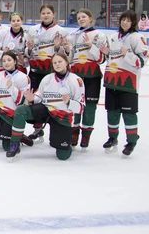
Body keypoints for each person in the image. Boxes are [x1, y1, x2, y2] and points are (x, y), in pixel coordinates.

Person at [6, 53, 85, 162]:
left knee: (63, 156)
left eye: (60, 62)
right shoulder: (47, 78)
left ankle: (67, 141)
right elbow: (39, 97)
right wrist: (32, 99)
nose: (57, 64)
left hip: (62, 116)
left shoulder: (76, 80)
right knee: (21, 110)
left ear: (66, 63)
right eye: (54, 63)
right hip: (46, 110)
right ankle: (14, 144)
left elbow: (81, 108)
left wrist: (69, 102)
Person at [99, 10, 148, 156]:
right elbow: (109, 59)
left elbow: (141, 61)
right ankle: (112, 138)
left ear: (133, 22)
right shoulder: (113, 37)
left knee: (129, 113)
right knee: (112, 112)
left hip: (128, 83)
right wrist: (107, 53)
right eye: (123, 19)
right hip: (111, 81)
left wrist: (127, 54)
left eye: (128, 20)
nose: (125, 22)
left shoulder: (137, 38)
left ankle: (132, 141)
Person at [62, 8, 106, 150]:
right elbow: (69, 60)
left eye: (84, 17)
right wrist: (67, 49)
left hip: (92, 76)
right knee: (75, 103)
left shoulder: (99, 35)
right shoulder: (73, 36)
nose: (81, 19)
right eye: (79, 18)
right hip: (76, 76)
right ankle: (74, 133)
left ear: (90, 18)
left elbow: (101, 59)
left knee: (90, 106)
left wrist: (91, 46)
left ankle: (86, 135)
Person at [24, 4, 68, 141]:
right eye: (43, 13)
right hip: (36, 71)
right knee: (34, 99)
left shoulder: (61, 31)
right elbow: (27, 53)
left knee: (53, 99)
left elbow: (65, 55)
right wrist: (29, 49)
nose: (46, 15)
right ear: (40, 15)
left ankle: (56, 128)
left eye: (48, 13)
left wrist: (57, 47)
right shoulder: (32, 30)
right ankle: (37, 129)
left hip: (52, 72)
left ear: (53, 14)